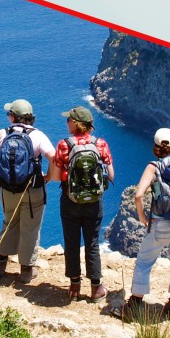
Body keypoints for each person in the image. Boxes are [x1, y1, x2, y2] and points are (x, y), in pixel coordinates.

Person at [121, 128, 170, 322]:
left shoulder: (154, 166)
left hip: (161, 222)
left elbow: (139, 195)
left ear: (156, 147)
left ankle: (135, 306)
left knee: (144, 262)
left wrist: (142, 217)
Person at [0, 98, 56, 282]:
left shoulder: (2, 134)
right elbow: (54, 158)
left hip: (7, 189)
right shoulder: (38, 136)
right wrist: (48, 176)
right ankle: (26, 270)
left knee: (9, 222)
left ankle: (0, 264)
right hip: (33, 190)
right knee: (30, 228)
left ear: (13, 117)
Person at [48, 105, 115, 302]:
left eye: (68, 119)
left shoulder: (64, 145)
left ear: (75, 123)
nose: (66, 122)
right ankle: (96, 288)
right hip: (94, 202)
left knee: (72, 242)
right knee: (92, 242)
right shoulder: (100, 144)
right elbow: (111, 175)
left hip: (70, 200)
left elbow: (56, 177)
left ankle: (75, 286)